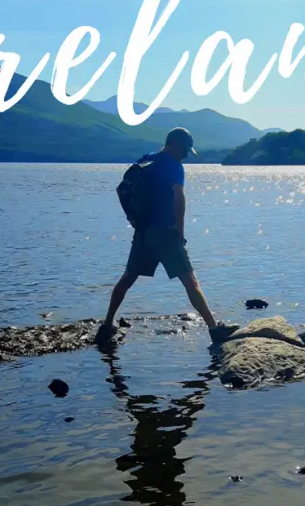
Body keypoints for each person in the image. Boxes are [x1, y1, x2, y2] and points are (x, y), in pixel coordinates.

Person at [95, 127, 238, 345]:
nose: (186, 155)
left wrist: (132, 218)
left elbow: (120, 189)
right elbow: (179, 198)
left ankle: (107, 326)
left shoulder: (146, 160)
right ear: (172, 144)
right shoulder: (173, 166)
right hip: (165, 232)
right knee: (190, 281)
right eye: (185, 150)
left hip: (143, 232)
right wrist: (180, 231)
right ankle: (214, 328)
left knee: (128, 278)